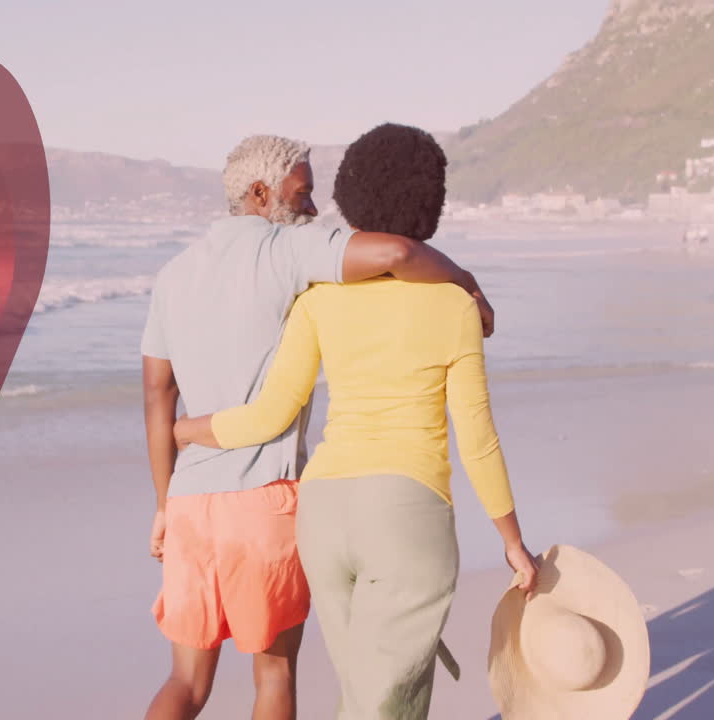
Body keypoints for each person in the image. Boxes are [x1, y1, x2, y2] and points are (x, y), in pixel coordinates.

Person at [173, 124, 540, 720]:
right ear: (431, 200)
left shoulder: (319, 297)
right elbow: (477, 436)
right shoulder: (453, 304)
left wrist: (186, 430)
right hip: (406, 516)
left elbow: (271, 413)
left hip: (323, 517)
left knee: (369, 696)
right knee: (383, 706)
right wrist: (512, 542)